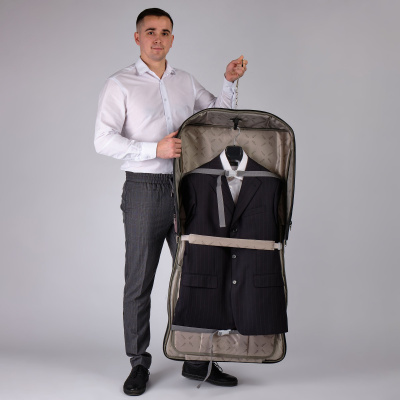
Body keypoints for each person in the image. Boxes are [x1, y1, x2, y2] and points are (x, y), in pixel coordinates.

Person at [94, 8, 247, 396]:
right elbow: (102, 139)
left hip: (188, 188)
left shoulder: (185, 81)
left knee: (197, 275)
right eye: (150, 31)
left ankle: (196, 360)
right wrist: (154, 148)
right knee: (139, 279)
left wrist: (229, 82)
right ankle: (138, 362)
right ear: (138, 37)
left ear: (172, 39)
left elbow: (217, 116)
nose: (157, 38)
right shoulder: (120, 83)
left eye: (164, 32)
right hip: (144, 189)